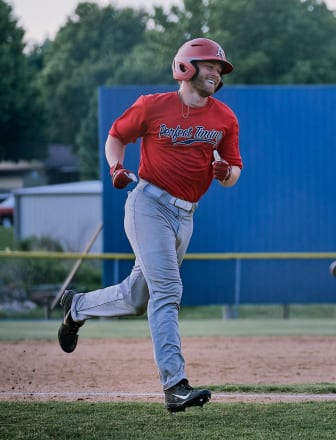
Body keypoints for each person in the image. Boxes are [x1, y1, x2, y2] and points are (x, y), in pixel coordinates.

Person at [57, 38, 243, 413]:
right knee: (168, 289)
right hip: (148, 205)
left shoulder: (224, 117)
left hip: (186, 215)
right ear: (185, 67)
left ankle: (78, 306)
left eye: (219, 69)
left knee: (137, 297)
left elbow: (234, 170)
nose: (216, 73)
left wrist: (226, 173)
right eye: (210, 65)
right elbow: (115, 137)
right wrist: (116, 166)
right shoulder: (152, 106)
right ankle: (174, 385)